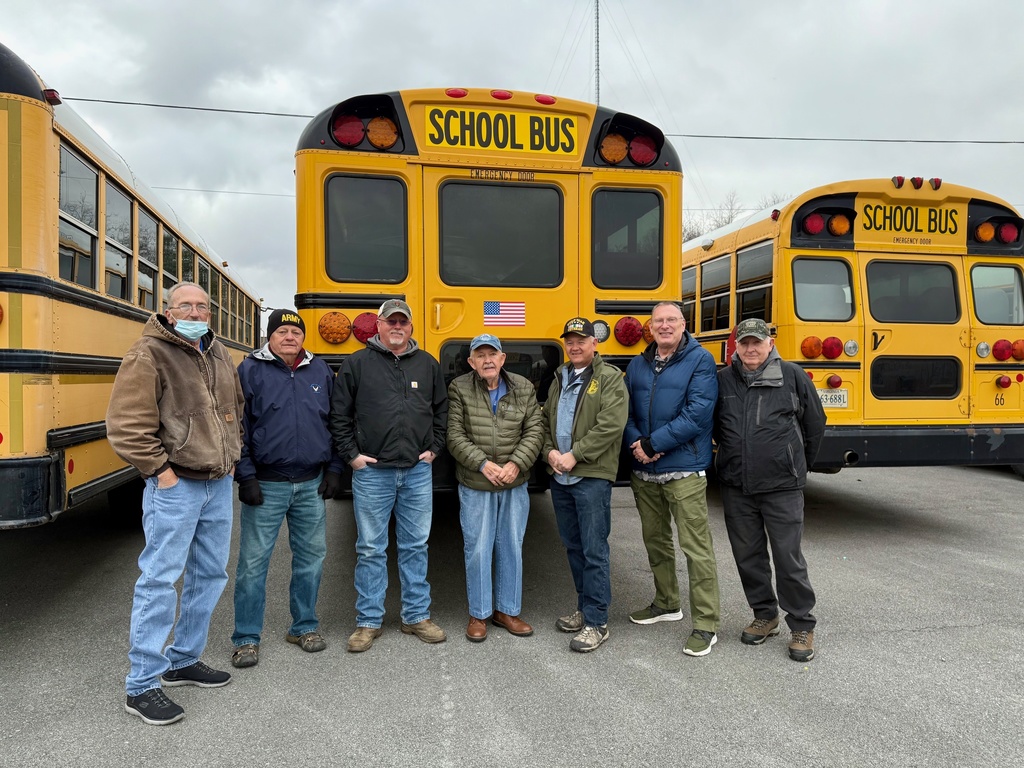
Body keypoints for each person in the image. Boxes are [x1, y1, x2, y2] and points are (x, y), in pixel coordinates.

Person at [107, 281, 244, 726]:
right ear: (166, 311)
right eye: (185, 304)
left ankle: (183, 659)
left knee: (210, 574)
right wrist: (160, 473)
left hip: (217, 483)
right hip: (176, 485)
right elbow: (127, 427)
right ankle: (142, 684)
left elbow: (234, 408)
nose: (195, 311)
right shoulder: (148, 354)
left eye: (202, 306)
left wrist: (232, 457)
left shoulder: (217, 351)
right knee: (160, 580)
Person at [330, 299, 448, 652]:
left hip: (416, 471)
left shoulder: (428, 365)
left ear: (411, 327)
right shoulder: (357, 364)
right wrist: (352, 457)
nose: (397, 327)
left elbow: (441, 410)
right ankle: (368, 621)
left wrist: (435, 448)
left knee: (415, 546)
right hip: (372, 473)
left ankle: (415, 617)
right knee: (370, 548)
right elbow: (339, 416)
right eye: (391, 321)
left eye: (403, 322)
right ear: (378, 325)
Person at [230, 309, 344, 669]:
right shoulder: (250, 370)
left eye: (296, 332)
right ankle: (246, 637)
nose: (290, 337)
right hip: (266, 484)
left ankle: (304, 626)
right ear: (269, 336)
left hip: (311, 483)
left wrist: (335, 469)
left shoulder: (320, 370)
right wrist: (245, 475)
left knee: (311, 560)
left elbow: (337, 420)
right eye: (282, 331)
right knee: (252, 564)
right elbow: (238, 426)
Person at [714, 318, 826, 662]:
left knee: (788, 558)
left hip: (782, 487)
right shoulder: (722, 380)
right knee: (748, 558)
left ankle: (802, 625)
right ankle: (765, 615)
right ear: (735, 346)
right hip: (737, 485)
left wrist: (795, 463)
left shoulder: (792, 375)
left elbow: (815, 424)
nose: (750, 349)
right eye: (744, 343)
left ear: (770, 343)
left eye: (756, 343)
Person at [623, 301, 722, 657]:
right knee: (656, 541)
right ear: (650, 327)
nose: (664, 326)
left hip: (684, 470)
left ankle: (706, 624)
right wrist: (638, 444)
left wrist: (654, 444)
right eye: (658, 321)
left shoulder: (700, 361)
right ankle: (666, 603)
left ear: (684, 324)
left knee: (696, 549)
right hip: (644, 471)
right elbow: (627, 410)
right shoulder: (637, 364)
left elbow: (697, 414)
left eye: (671, 320)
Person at [447, 333, 544, 642]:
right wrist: (483, 464)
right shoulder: (459, 388)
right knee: (477, 548)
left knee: (511, 546)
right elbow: (454, 434)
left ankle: (507, 611)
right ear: (471, 362)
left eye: (493, 354)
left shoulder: (523, 387)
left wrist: (516, 463)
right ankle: (479, 614)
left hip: (514, 481)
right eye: (481, 355)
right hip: (477, 481)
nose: (487, 360)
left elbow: (535, 431)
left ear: (503, 359)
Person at [542, 317, 629, 653]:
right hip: (561, 475)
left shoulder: (609, 378)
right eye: (570, 340)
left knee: (594, 549)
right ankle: (584, 607)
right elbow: (546, 417)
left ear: (595, 344)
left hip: (590, 476)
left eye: (581, 340)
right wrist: (550, 451)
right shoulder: (560, 377)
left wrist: (574, 455)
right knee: (574, 546)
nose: (575, 346)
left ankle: (597, 621)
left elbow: (611, 425)